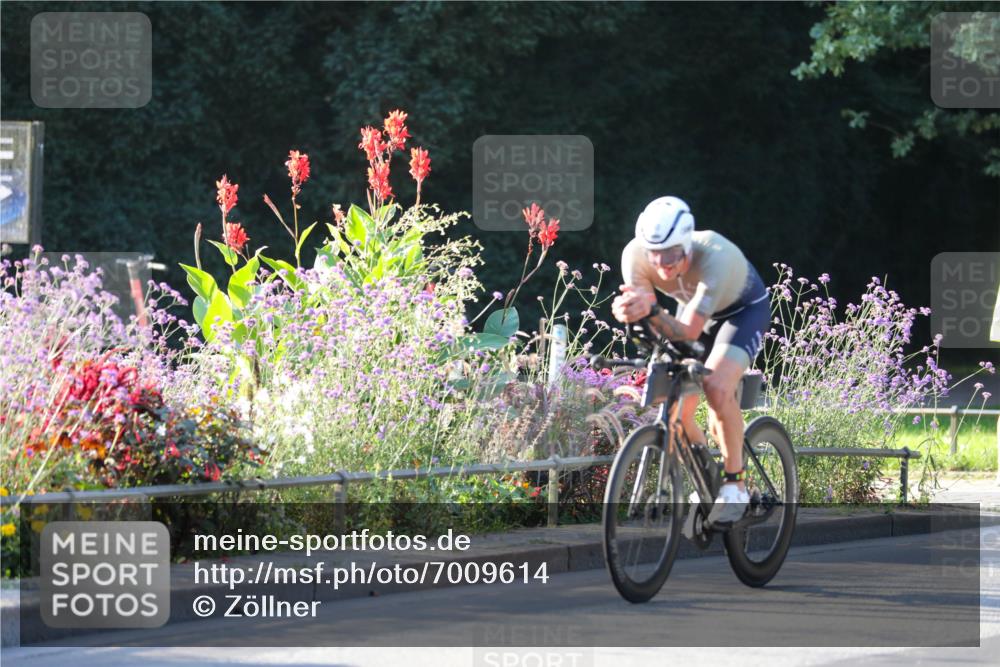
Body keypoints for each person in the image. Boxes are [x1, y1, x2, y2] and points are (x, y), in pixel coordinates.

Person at [611, 196, 769, 524]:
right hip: (690, 311)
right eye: (655, 255)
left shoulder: (716, 258)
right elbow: (652, 323)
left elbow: (687, 331)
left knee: (715, 387)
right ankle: (706, 477)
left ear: (687, 245)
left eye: (671, 255)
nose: (663, 265)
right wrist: (630, 315)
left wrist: (651, 311)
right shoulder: (634, 256)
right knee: (677, 413)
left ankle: (735, 485)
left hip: (740, 314)